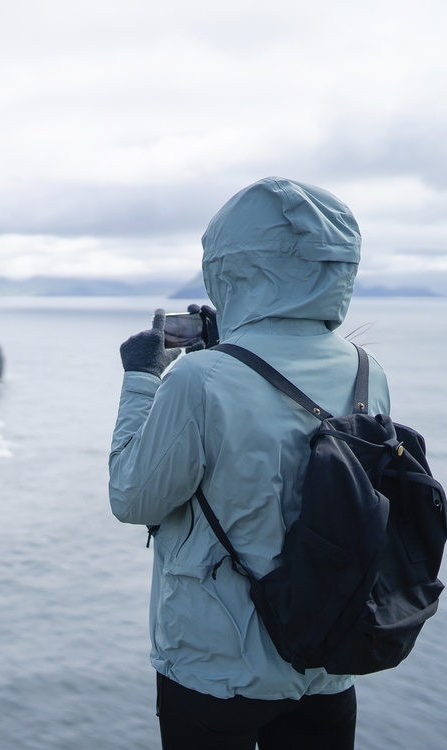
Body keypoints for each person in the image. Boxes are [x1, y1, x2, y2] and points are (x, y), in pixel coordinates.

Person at [108, 177, 389, 750]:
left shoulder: (199, 377)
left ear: (230, 269)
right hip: (326, 657)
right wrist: (231, 344)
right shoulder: (367, 370)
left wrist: (140, 378)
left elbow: (132, 498)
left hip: (216, 667)